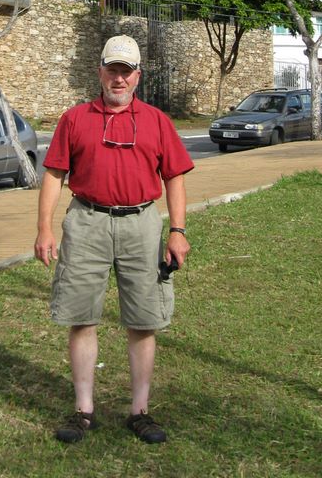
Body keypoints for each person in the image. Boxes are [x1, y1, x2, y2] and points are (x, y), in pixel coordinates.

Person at [34, 34, 194, 445]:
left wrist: (177, 231)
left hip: (142, 224)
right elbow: (54, 174)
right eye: (112, 70)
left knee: (143, 319)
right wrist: (45, 228)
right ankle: (83, 410)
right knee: (81, 316)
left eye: (126, 71)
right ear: (100, 72)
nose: (118, 79)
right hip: (87, 222)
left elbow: (174, 177)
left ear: (137, 76)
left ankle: (140, 411)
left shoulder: (157, 121)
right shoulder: (75, 119)